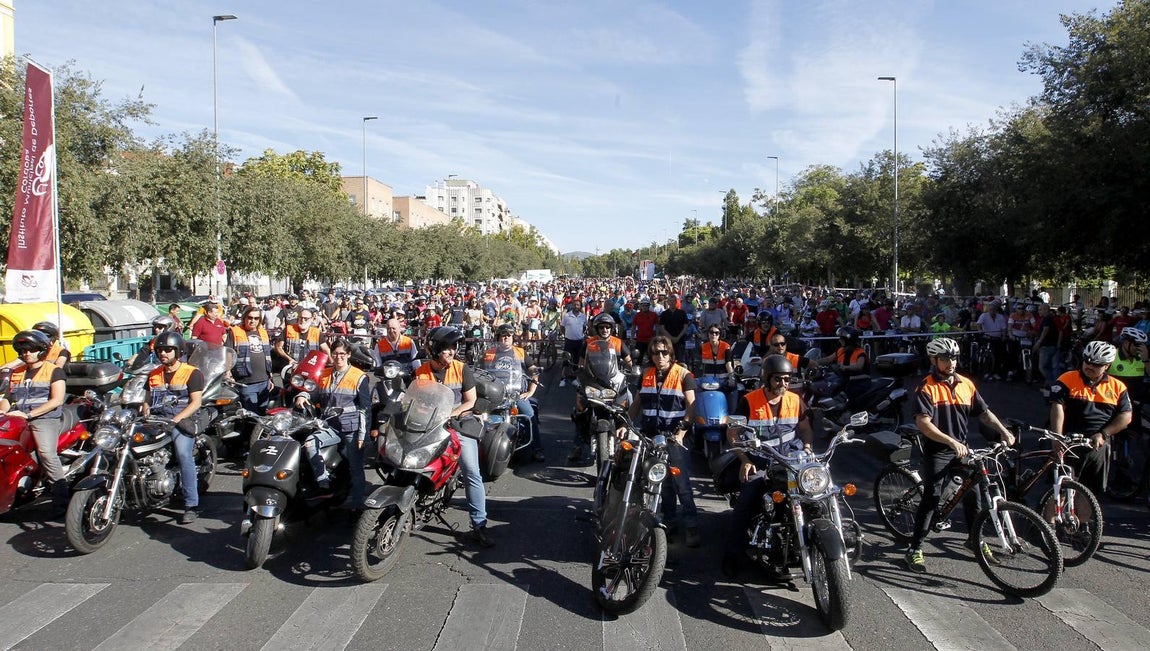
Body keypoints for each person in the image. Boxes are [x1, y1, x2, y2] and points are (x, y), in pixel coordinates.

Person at [904, 337, 1014, 573]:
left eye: (953, 357)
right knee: (931, 498)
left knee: (974, 495)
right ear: (934, 360)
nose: (950, 363)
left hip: (961, 448)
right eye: (944, 359)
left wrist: (1004, 432)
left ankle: (974, 540)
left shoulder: (966, 384)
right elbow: (924, 425)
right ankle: (914, 549)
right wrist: (950, 441)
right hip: (938, 449)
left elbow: (984, 414)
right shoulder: (926, 387)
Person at [721, 354, 813, 578]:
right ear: (767, 378)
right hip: (761, 459)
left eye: (787, 379)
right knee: (747, 500)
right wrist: (745, 460)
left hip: (790, 459)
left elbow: (805, 427)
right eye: (778, 379)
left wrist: (809, 448)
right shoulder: (749, 400)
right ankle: (732, 555)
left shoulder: (795, 400)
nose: (783, 384)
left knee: (814, 492)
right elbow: (731, 433)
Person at [413, 327, 493, 547]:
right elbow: (414, 399)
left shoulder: (461, 368)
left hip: (458, 424)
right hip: (429, 424)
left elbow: (470, 401)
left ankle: (479, 524)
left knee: (470, 470)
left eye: (453, 347)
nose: (451, 351)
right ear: (436, 349)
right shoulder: (421, 371)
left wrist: (451, 414)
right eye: (447, 347)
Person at [630, 336, 699, 547]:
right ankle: (669, 523)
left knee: (682, 484)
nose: (660, 356)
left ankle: (691, 526)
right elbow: (638, 403)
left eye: (664, 352)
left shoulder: (683, 375)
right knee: (661, 481)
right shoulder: (647, 374)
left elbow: (692, 406)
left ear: (671, 354)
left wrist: (681, 433)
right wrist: (626, 424)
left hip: (674, 437)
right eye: (655, 352)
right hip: (651, 436)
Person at [293, 338, 371, 508]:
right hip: (330, 426)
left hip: (352, 429)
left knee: (355, 468)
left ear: (349, 354)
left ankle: (356, 505)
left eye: (342, 354)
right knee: (310, 443)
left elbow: (365, 409)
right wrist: (303, 395)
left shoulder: (359, 377)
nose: (338, 357)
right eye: (335, 354)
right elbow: (314, 393)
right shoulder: (325, 374)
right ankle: (324, 484)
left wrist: (362, 436)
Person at [1049, 340, 1133, 495]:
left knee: (1090, 493)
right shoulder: (1067, 378)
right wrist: (1057, 437)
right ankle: (1050, 520)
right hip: (1068, 441)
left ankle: (1084, 519)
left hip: (1097, 444)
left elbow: (1126, 416)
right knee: (1059, 490)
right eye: (1087, 361)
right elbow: (1057, 407)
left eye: (1096, 364)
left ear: (1107, 366)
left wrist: (1104, 434)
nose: (1090, 366)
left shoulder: (1118, 387)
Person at [0, 330, 69, 514]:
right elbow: (8, 398)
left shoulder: (54, 371)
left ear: (41, 350)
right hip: (17, 417)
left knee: (46, 453)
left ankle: (61, 499)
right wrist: (2, 411)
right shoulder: (17, 373)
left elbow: (57, 400)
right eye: (23, 351)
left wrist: (29, 415)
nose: (26, 354)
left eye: (30, 350)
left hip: (44, 419)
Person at [145, 331, 206, 524]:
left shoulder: (191, 372)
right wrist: (145, 411)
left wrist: (176, 419)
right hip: (157, 421)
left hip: (181, 421)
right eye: (161, 350)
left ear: (178, 351)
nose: (164, 353)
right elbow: (146, 400)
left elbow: (195, 402)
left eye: (168, 350)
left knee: (184, 454)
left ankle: (191, 505)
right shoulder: (153, 374)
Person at [484, 324, 544, 462]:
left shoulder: (520, 352)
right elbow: (478, 371)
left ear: (512, 338)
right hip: (495, 395)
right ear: (498, 337)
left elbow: (533, 371)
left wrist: (530, 391)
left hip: (516, 395)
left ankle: (537, 448)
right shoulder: (489, 353)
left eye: (509, 336)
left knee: (529, 415)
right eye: (503, 335)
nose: (506, 338)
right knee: (479, 417)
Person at [225, 306, 274, 415]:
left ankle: (260, 432)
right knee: (252, 415)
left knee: (263, 413)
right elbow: (228, 353)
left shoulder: (263, 332)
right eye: (250, 318)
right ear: (244, 318)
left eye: (256, 318)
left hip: (264, 381)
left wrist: (270, 377)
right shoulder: (235, 331)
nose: (253, 321)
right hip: (246, 382)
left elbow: (267, 355)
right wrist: (228, 373)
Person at [1109, 327, 1149, 404]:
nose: (1139, 348)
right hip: (1114, 401)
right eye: (1137, 345)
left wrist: (1146, 360)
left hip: (1135, 401)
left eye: (1142, 345)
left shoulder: (1142, 357)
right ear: (1126, 343)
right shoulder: (1112, 356)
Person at [559, 301, 587, 388]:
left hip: (579, 341)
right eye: (574, 305)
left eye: (578, 305)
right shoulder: (567, 316)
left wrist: (579, 335)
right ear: (572, 306)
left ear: (580, 306)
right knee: (566, 360)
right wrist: (567, 335)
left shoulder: (583, 316)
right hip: (569, 341)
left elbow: (584, 327)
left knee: (576, 361)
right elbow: (562, 327)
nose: (576, 306)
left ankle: (574, 379)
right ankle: (563, 379)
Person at [658, 294, 689, 361]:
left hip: (680, 340)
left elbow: (686, 326)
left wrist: (678, 338)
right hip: (667, 341)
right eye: (670, 301)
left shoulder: (682, 313)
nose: (672, 303)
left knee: (680, 360)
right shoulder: (664, 314)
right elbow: (662, 327)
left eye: (673, 301)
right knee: (668, 360)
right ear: (668, 302)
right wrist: (671, 338)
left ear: (676, 302)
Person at [631, 299, 659, 365]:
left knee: (652, 358)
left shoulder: (654, 315)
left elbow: (657, 326)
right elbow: (633, 327)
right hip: (640, 340)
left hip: (650, 340)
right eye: (643, 305)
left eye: (646, 305)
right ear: (641, 306)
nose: (644, 307)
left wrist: (656, 337)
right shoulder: (637, 315)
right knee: (638, 358)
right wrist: (632, 337)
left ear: (649, 306)